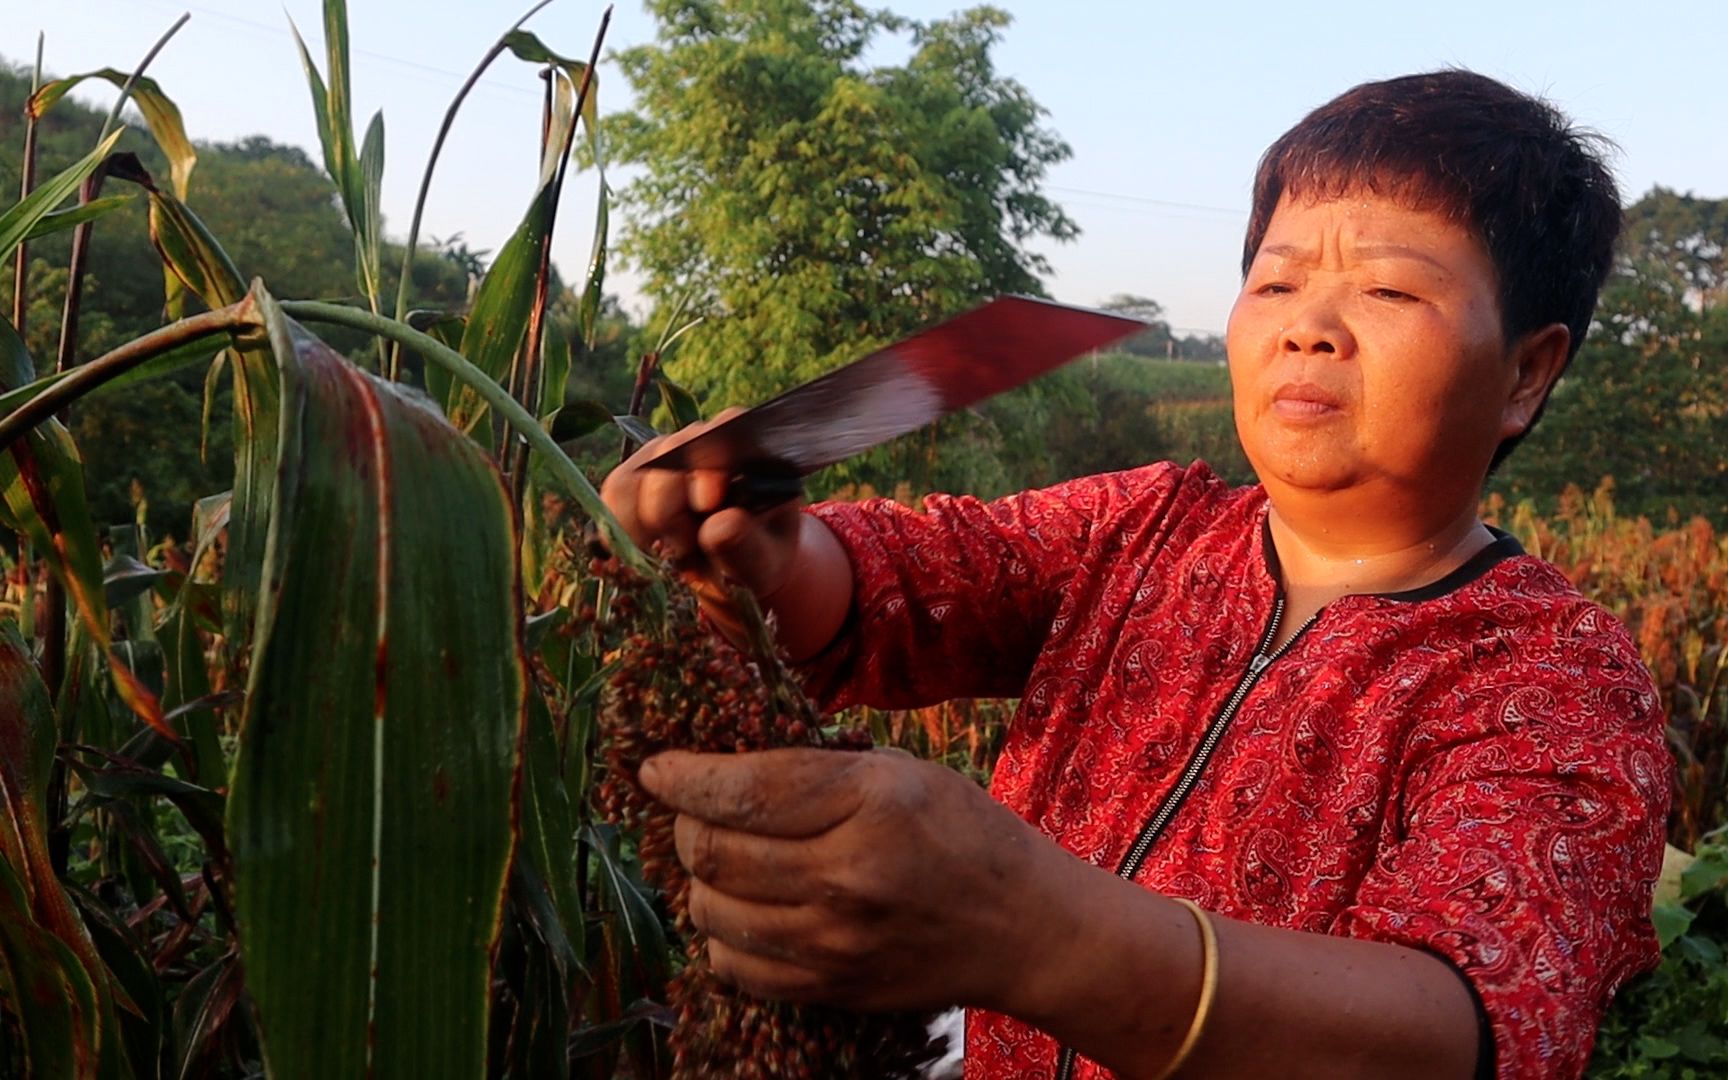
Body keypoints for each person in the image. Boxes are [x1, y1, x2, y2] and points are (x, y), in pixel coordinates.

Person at [600, 69, 1669, 1079]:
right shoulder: (1143, 527)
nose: (1309, 326)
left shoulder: (1558, 680)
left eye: (1388, 288)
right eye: (1279, 279)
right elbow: (894, 588)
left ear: (1526, 373)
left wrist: (1036, 934)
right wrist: (767, 552)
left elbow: (1460, 1034)